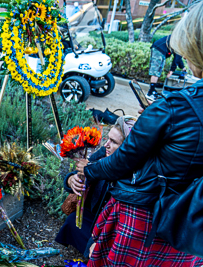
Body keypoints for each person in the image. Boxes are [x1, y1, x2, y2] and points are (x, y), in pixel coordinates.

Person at [75, 3, 203, 266]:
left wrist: (89, 170)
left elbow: (122, 162)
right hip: (190, 220)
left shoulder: (174, 107)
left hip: (147, 217)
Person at [55, 117, 136, 257]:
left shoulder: (135, 172)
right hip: (95, 216)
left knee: (105, 251)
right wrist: (71, 180)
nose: (106, 145)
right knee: (73, 222)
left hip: (115, 226)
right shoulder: (104, 153)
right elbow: (82, 171)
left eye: (114, 142)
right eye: (108, 139)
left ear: (127, 148)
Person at [147, 34, 186, 101]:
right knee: (155, 71)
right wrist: (171, 70)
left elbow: (178, 57)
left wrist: (183, 67)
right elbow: (177, 57)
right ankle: (150, 93)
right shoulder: (181, 41)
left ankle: (152, 91)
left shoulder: (180, 38)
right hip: (159, 49)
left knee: (157, 71)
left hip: (159, 49)